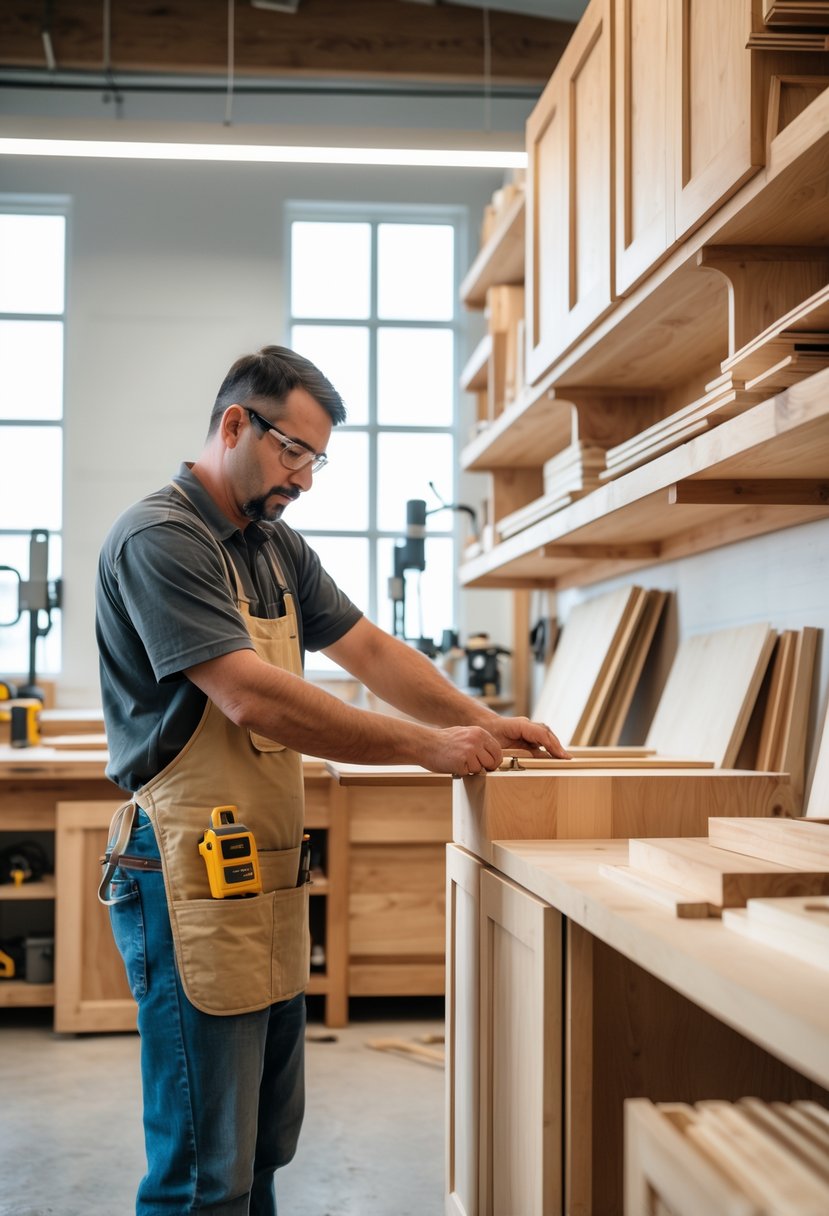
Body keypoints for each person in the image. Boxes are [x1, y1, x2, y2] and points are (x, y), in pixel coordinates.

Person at [95, 344, 569, 1216]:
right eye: (292, 451)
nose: (304, 479)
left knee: (263, 1149)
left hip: (259, 877)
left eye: (316, 459)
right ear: (235, 423)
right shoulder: (164, 537)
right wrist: (425, 749)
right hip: (182, 879)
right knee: (204, 1169)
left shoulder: (274, 546)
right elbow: (247, 696)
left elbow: (371, 651)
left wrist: (480, 720)